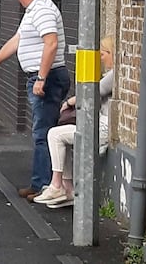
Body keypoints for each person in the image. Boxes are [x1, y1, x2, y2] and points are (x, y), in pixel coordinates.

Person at [0, 0, 69, 202]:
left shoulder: (44, 10)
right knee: (41, 132)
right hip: (42, 78)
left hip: (47, 79)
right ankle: (41, 183)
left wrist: (41, 78)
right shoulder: (34, 11)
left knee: (43, 133)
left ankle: (47, 185)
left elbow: (51, 44)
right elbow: (17, 40)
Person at [34, 37, 115, 209]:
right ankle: (68, 188)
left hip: (103, 128)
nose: (101, 58)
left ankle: (58, 185)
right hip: (101, 124)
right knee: (62, 137)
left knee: (54, 134)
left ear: (112, 54)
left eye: (103, 54)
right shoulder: (111, 75)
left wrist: (69, 102)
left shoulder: (114, 75)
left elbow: (93, 92)